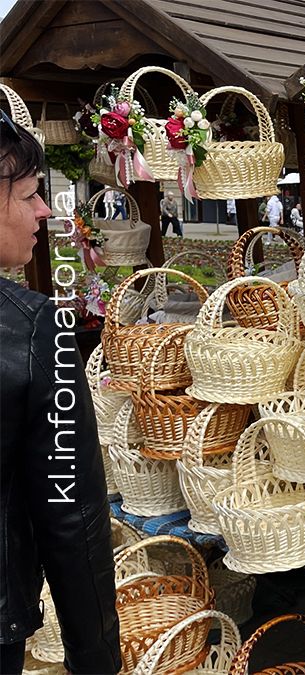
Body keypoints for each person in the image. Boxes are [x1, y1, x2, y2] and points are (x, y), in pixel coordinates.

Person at [0, 113, 121, 673]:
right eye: (28, 195)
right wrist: (95, 658)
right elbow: (71, 511)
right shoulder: (32, 328)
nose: (44, 211)